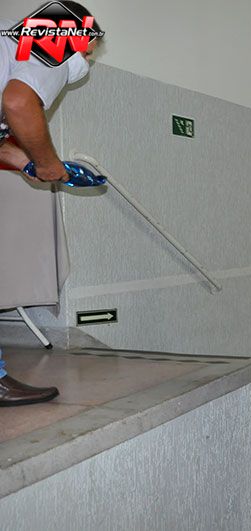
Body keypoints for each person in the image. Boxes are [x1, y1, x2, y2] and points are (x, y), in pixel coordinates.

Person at [0, 1, 102, 406]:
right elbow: (19, 103)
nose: (90, 56)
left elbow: (6, 136)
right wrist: (47, 162)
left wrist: (29, 163)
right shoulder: (48, 40)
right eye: (90, 45)